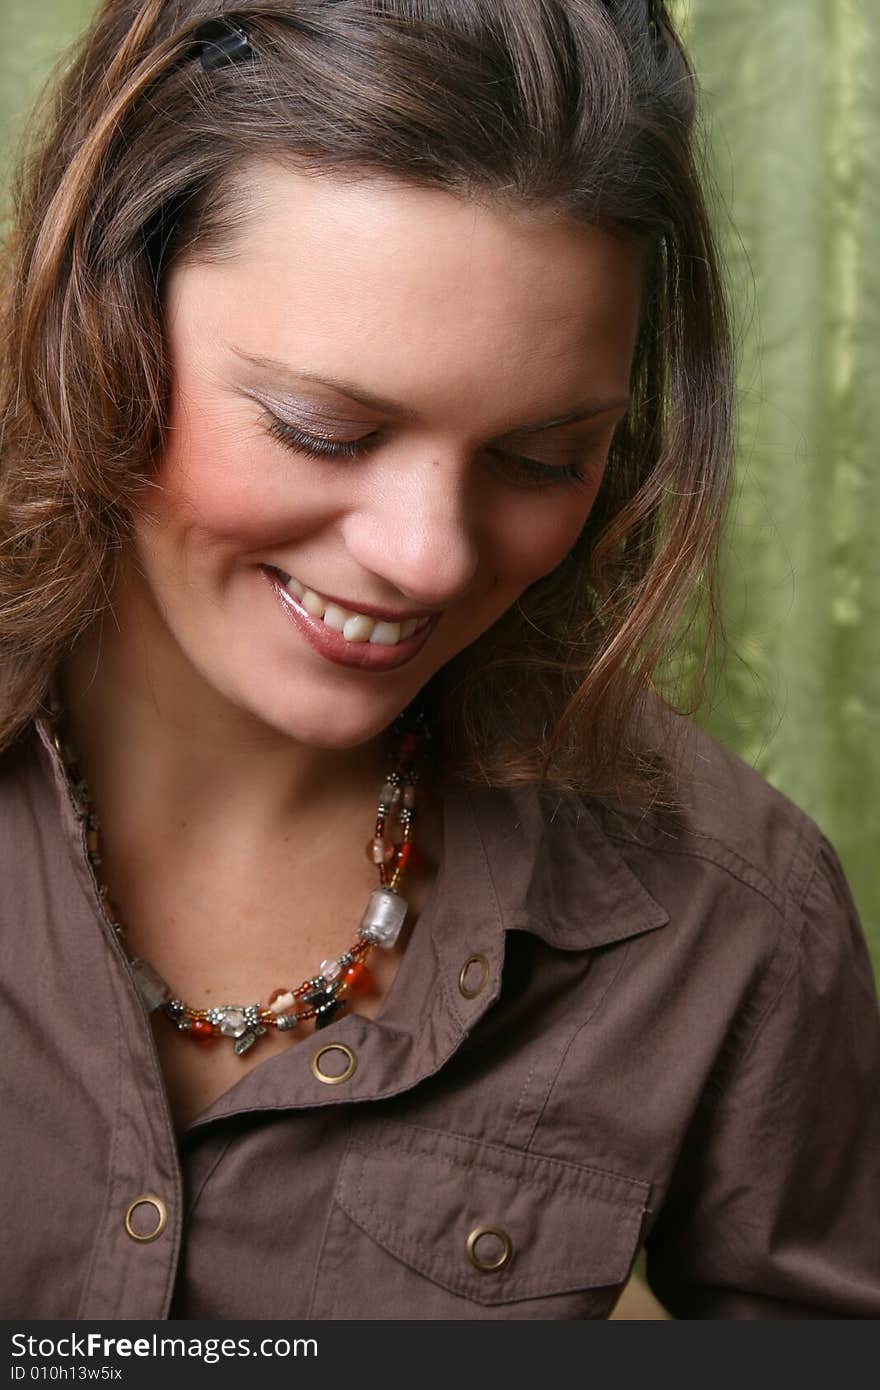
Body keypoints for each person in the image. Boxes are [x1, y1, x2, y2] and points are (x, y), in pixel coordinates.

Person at [0, 0, 877, 1323]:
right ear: (111, 318)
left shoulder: (735, 917)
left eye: (539, 458)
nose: (425, 557)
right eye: (323, 429)